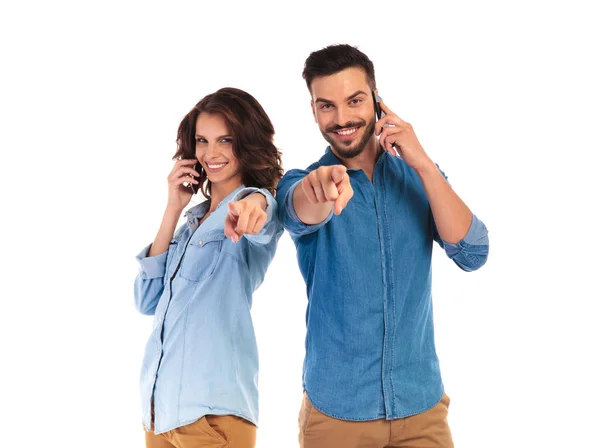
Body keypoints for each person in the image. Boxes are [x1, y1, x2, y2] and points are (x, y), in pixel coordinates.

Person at [275, 44, 489, 448]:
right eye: (326, 106)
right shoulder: (302, 182)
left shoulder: (418, 176)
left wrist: (422, 162)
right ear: (314, 111)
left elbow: (473, 253)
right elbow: (299, 210)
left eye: (354, 100)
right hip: (337, 414)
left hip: (421, 407)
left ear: (377, 101)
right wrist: (318, 188)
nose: (341, 119)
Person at [134, 87, 283, 448]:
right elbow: (147, 300)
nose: (211, 153)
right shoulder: (191, 224)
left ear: (246, 142)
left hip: (213, 417)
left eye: (225, 140)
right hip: (160, 414)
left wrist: (256, 202)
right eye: (203, 140)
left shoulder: (252, 205)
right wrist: (173, 208)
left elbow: (262, 216)